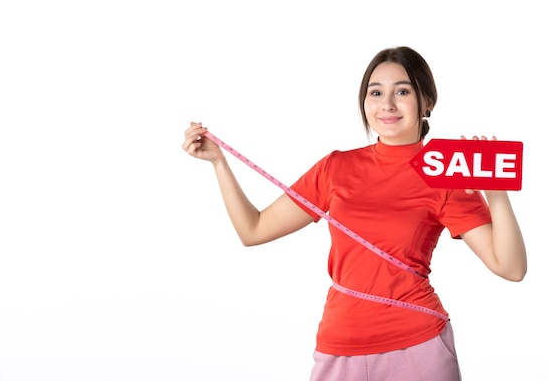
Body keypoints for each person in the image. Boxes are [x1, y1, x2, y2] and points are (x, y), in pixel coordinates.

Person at [181, 46, 527, 381]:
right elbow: (253, 230)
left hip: (417, 346)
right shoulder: (337, 167)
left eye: (402, 91)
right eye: (375, 93)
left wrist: (497, 197)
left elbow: (510, 268)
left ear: (427, 102)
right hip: (339, 344)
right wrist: (218, 163)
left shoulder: (445, 172)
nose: (387, 104)